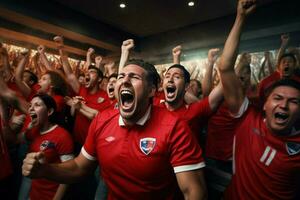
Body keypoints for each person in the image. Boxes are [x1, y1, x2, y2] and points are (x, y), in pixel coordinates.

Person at [22, 59, 208, 200]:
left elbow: (194, 191)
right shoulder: (102, 120)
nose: (124, 81)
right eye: (121, 77)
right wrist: (45, 170)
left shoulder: (174, 127)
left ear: (152, 90)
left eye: (134, 77)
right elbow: (79, 167)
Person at [217, 0, 300, 199]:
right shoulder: (248, 118)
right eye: (278, 98)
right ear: (264, 103)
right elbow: (225, 67)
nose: (284, 105)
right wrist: (240, 18)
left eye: (294, 101)